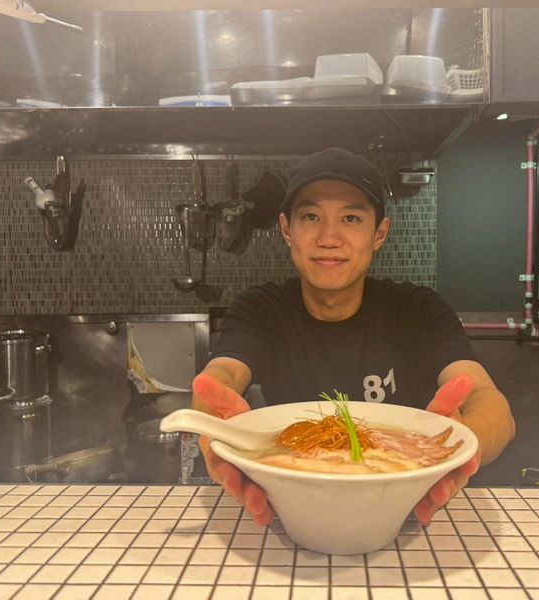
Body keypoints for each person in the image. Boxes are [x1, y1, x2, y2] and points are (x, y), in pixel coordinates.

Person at [192, 147, 515, 526]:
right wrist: (214, 426)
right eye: (311, 217)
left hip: (400, 507)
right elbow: (223, 376)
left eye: (350, 218)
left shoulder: (417, 309)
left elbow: (490, 403)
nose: (329, 238)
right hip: (294, 505)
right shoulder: (260, 309)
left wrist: (456, 449)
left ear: (379, 233)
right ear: (286, 230)